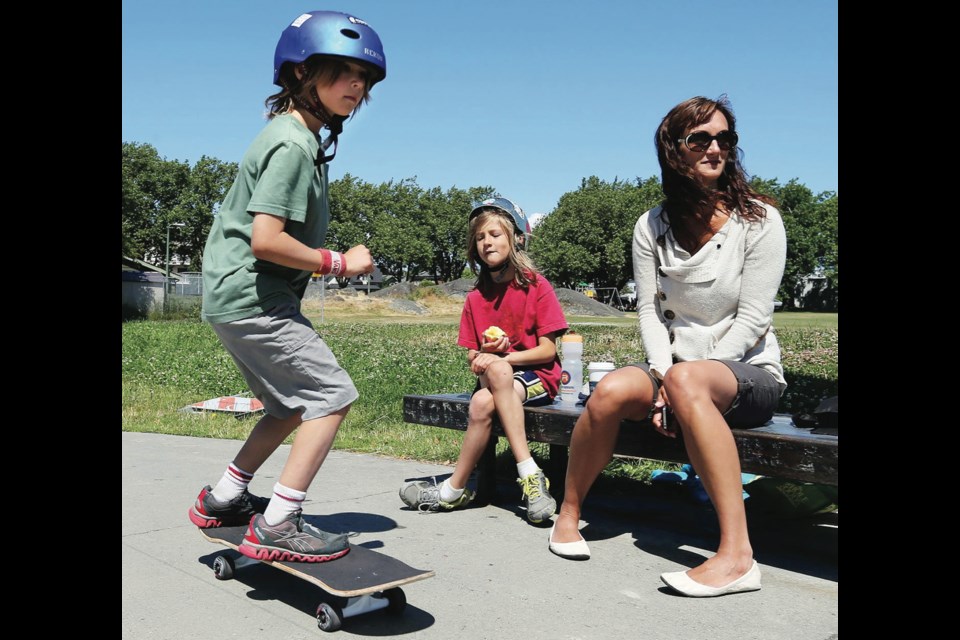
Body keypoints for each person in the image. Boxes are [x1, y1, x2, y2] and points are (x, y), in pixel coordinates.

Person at [548, 95, 787, 597]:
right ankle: (568, 513)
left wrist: (680, 381)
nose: (715, 147)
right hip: (675, 370)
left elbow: (753, 319)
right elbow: (650, 312)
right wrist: (662, 378)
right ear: (673, 150)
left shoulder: (760, 220)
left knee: (687, 379)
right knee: (611, 390)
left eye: (725, 138)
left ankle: (737, 556)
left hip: (748, 373)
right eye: (700, 138)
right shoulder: (651, 226)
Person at [187, 10, 388, 563]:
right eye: (344, 72)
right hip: (256, 298)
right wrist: (339, 263)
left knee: (286, 405)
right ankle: (278, 521)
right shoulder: (293, 144)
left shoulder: (299, 141)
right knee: (332, 396)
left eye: (364, 78)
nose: (357, 85)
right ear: (302, 74)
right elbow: (266, 239)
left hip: (233, 298)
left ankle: (225, 498)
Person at [399, 198, 569, 523]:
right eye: (480, 237)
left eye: (495, 234)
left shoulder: (536, 286)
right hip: (496, 377)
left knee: (482, 399)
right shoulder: (475, 299)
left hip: (539, 378)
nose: (487, 241)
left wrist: (503, 356)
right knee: (488, 388)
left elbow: (548, 351)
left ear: (516, 238)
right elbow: (472, 355)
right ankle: (511, 477)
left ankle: (464, 487)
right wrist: (483, 357)